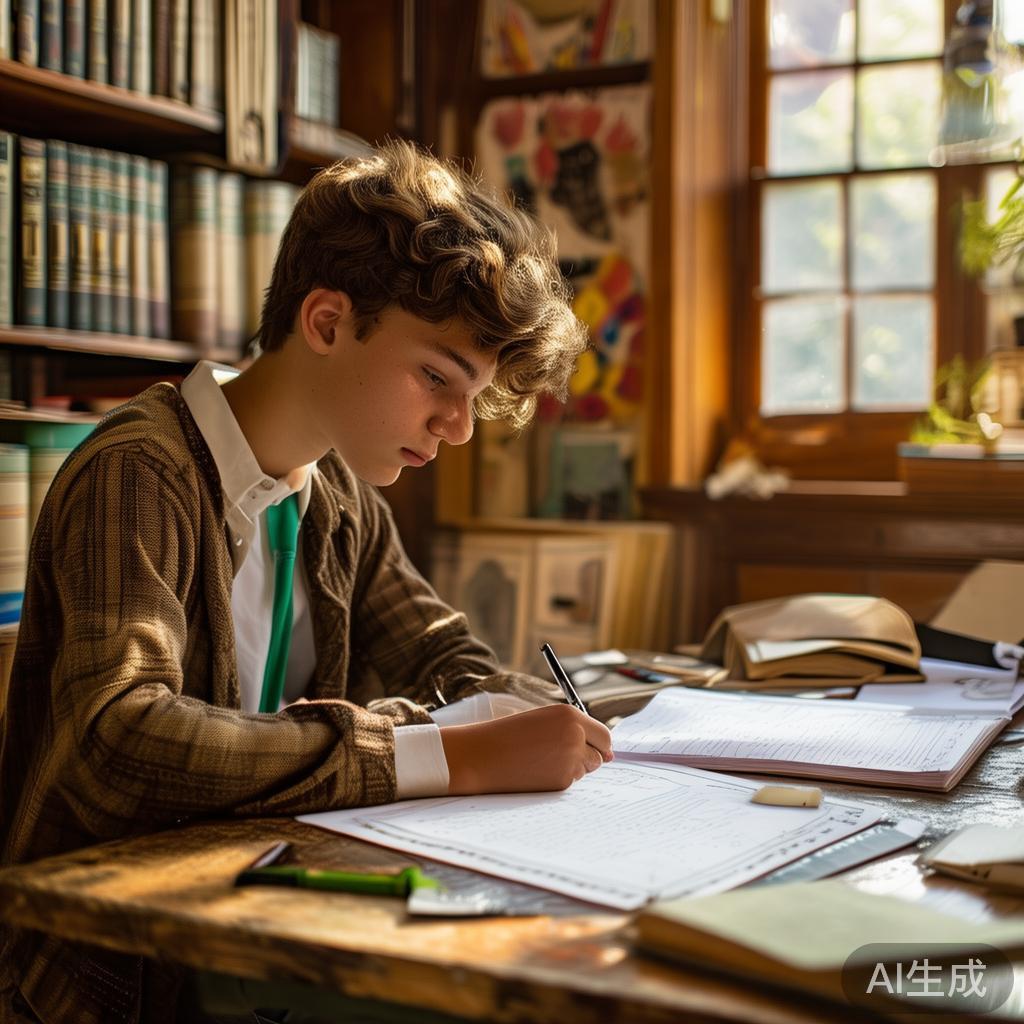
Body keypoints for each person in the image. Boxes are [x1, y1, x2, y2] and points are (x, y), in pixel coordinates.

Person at [0, 140, 613, 1024]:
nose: (458, 427)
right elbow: (116, 742)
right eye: (437, 378)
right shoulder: (139, 473)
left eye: (472, 396)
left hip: (243, 929)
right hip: (100, 981)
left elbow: (439, 650)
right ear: (326, 322)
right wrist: (443, 752)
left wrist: (503, 705)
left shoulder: (336, 497)